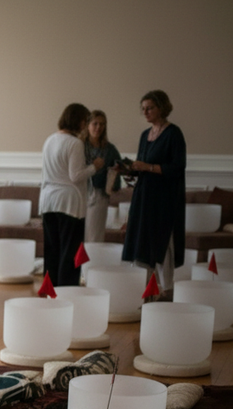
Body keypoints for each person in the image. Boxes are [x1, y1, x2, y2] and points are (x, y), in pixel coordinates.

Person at [122, 90, 186, 295]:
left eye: (149, 108)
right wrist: (129, 170)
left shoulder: (173, 133)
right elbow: (142, 165)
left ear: (162, 108)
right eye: (143, 109)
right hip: (144, 196)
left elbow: (177, 167)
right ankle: (143, 289)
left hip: (164, 198)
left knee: (162, 241)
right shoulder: (144, 135)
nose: (146, 112)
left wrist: (147, 167)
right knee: (142, 239)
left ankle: (166, 289)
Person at [40, 103, 105, 287]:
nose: (85, 125)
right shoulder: (74, 143)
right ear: (78, 120)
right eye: (85, 121)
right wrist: (95, 167)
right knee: (70, 253)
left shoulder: (49, 139)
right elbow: (75, 176)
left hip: (48, 201)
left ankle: (50, 291)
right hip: (69, 203)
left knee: (52, 251)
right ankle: (66, 293)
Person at [84, 110, 121, 245]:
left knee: (94, 236)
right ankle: (77, 266)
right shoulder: (79, 146)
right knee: (77, 236)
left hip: (99, 195)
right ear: (88, 125)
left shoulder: (109, 149)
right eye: (95, 123)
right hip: (80, 193)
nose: (98, 127)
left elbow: (118, 168)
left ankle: (92, 265)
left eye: (102, 124)